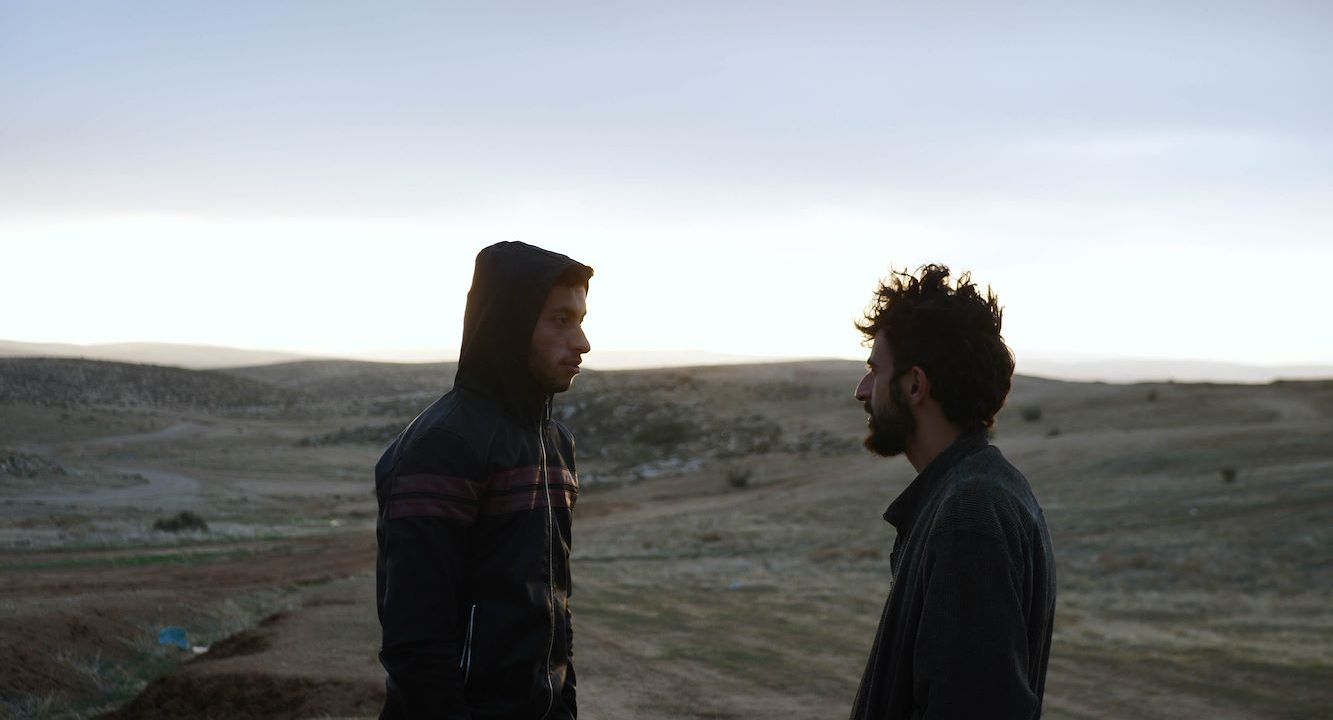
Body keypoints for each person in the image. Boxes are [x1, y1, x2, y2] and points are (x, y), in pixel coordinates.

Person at [375, 241, 593, 720]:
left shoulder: (555, 443)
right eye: (560, 320)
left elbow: (555, 607)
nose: (582, 343)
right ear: (509, 324)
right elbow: (416, 639)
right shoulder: (444, 445)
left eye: (581, 320)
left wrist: (564, 706)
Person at [848, 264, 1056, 720]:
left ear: (914, 385)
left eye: (874, 371)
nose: (862, 391)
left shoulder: (970, 515)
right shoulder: (979, 490)